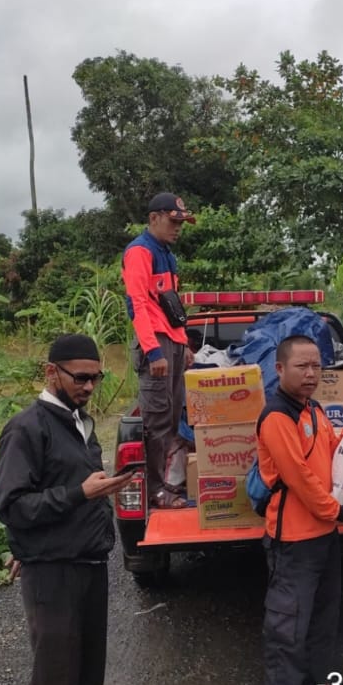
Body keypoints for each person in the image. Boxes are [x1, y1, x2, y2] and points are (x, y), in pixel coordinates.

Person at [0, 333, 138, 685]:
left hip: (89, 566)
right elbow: (13, 506)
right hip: (53, 574)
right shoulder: (26, 429)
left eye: (96, 378)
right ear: (51, 373)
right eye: (80, 378)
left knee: (87, 680)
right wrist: (81, 493)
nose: (89, 387)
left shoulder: (79, 423)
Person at [257, 334, 343, 685]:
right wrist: (338, 511)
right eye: (301, 366)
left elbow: (334, 453)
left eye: (316, 366)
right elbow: (298, 479)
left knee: (324, 615)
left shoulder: (314, 410)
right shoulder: (276, 417)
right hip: (295, 538)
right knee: (287, 625)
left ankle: (313, 684)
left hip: (324, 535)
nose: (311, 373)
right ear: (280, 369)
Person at [121, 190, 195, 508]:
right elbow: (137, 303)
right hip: (156, 344)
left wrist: (184, 343)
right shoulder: (140, 251)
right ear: (154, 219)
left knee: (175, 414)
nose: (178, 227)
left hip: (172, 342)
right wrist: (153, 352)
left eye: (182, 222)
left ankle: (170, 484)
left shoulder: (167, 253)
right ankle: (154, 492)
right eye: (173, 221)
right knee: (156, 421)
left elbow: (171, 305)